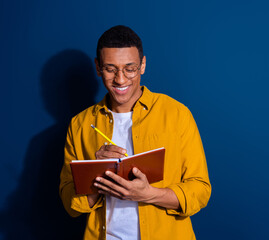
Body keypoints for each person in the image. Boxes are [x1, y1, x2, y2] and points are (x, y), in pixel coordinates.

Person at [59, 25, 211, 240]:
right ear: (98, 67)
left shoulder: (177, 114)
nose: (120, 80)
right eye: (111, 69)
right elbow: (70, 203)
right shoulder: (80, 124)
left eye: (129, 68)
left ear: (143, 65)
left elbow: (200, 190)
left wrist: (150, 195)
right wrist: (96, 175)